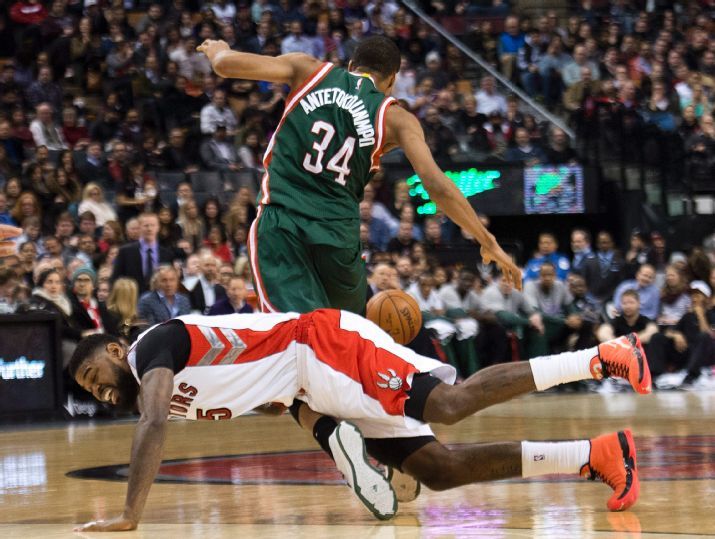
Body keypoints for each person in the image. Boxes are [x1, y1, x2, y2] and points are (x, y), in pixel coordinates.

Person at [197, 35, 521, 509]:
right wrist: (486, 241)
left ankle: (334, 438)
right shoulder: (395, 115)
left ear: (350, 63)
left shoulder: (308, 69)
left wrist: (214, 49)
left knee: (295, 358)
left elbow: (227, 67)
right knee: (357, 355)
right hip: (341, 241)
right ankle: (404, 447)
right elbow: (436, 183)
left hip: (282, 231)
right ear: (392, 77)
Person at [71, 309, 651, 531]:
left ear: (116, 351)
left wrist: (129, 515)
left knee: (446, 405)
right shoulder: (174, 391)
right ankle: (595, 455)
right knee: (439, 469)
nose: (96, 389)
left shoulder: (154, 351)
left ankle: (600, 356)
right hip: (310, 384)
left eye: (93, 372)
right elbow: (284, 404)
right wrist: (329, 436)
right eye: (87, 391)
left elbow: (150, 426)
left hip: (318, 344)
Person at [111, 213, 174, 294]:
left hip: (158, 301)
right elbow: (115, 279)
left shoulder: (167, 254)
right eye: (146, 225)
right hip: (131, 300)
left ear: (158, 227)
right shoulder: (125, 251)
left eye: (153, 225)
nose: (149, 229)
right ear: (139, 228)